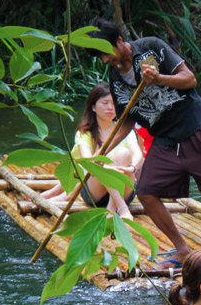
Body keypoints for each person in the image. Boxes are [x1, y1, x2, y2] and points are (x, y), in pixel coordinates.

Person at [86, 17, 201, 269]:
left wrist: (160, 79)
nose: (106, 60)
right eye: (101, 57)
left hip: (194, 125)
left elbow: (189, 79)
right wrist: (103, 151)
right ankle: (182, 249)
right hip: (164, 136)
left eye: (107, 53)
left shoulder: (151, 46)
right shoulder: (115, 76)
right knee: (147, 192)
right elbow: (126, 119)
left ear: (119, 40)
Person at [43, 83, 143, 218]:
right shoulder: (85, 133)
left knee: (123, 154)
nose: (110, 108)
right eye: (105, 103)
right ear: (93, 107)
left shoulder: (125, 130)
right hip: (96, 192)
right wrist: (108, 165)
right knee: (112, 158)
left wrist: (131, 168)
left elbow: (138, 154)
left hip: (124, 190)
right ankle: (121, 208)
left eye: (114, 104)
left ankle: (113, 207)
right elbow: (88, 162)